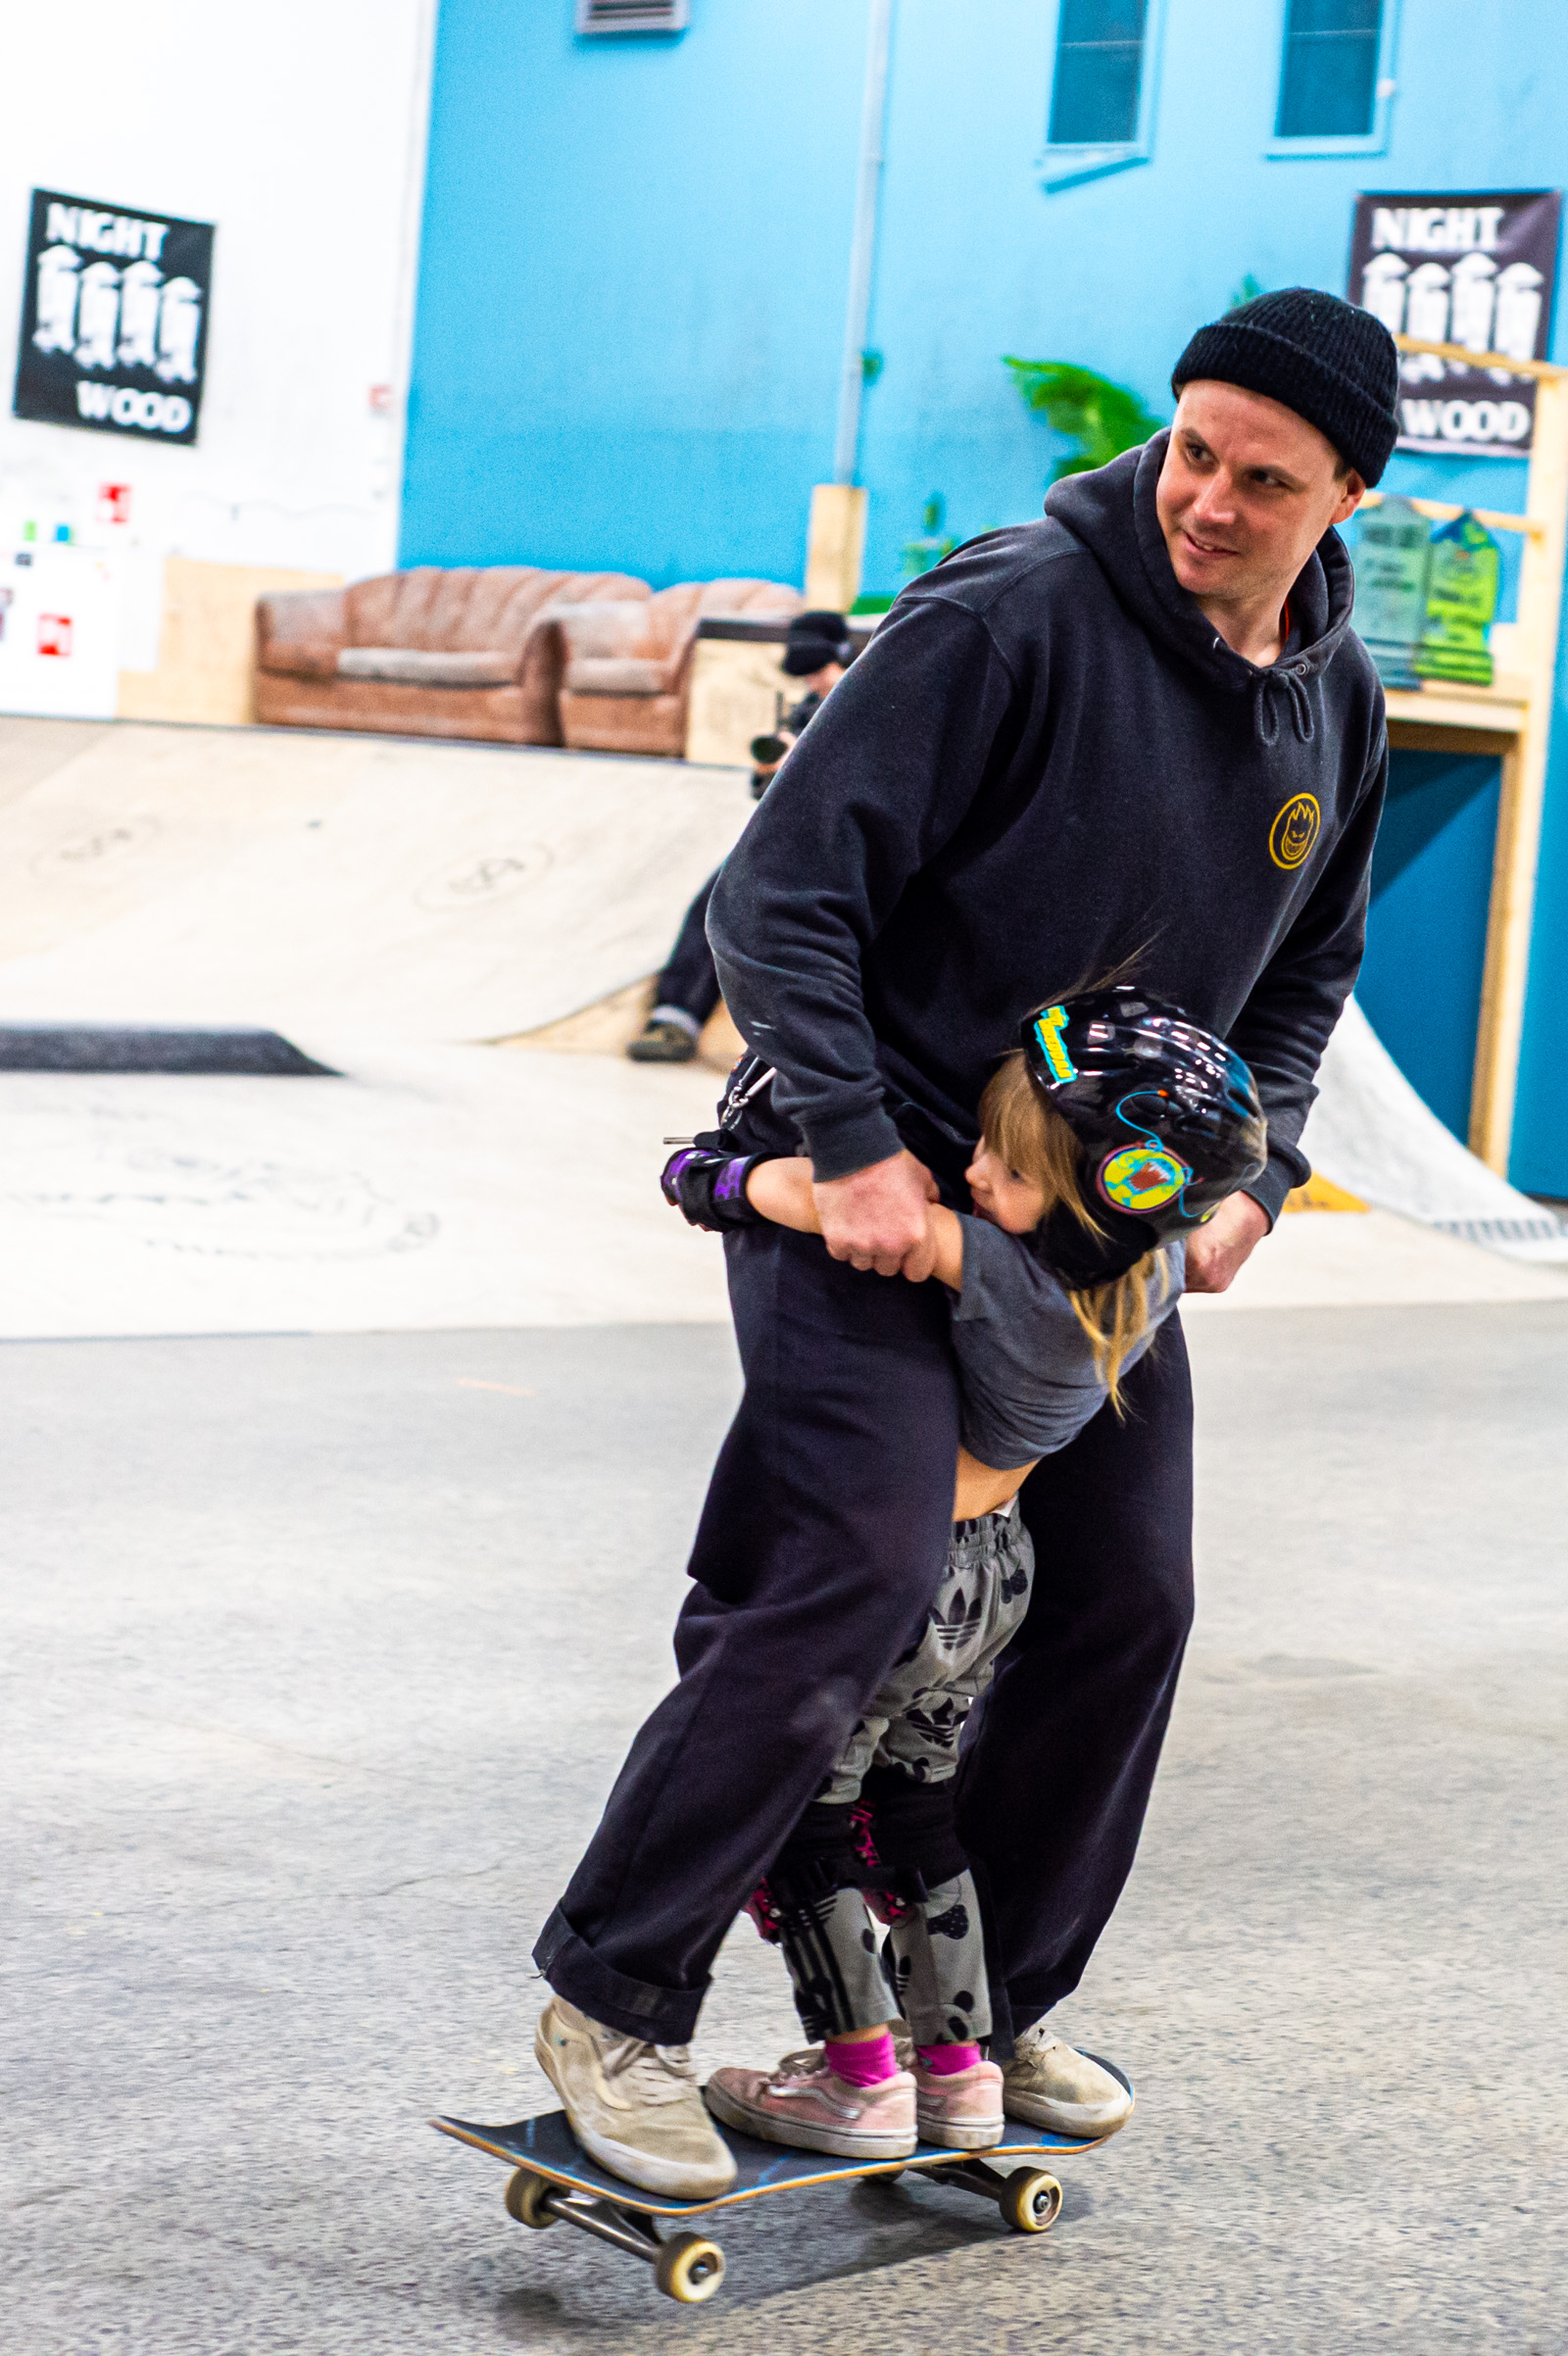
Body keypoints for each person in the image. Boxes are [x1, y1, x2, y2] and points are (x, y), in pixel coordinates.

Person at [531, 288, 1397, 2199]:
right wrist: (850, 1144)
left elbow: (1303, 977)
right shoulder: (1011, 611)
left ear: (1348, 492)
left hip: (1092, 1220)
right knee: (852, 1568)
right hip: (875, 1169)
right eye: (1191, 451)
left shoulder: (1333, 706)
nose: (1207, 499)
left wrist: (1252, 1172)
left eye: (1262, 480)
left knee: (1126, 1594)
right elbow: (777, 889)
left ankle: (983, 2016)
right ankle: (612, 1997)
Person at [658, 995, 1260, 2168]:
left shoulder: (998, 1270)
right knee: (920, 1821)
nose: (975, 1169)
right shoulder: (1153, 1271)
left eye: (1010, 1166)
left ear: (1092, 1202)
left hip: (913, 1590)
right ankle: (961, 2071)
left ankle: (857, 2081)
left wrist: (707, 1177)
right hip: (997, 1582)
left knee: (813, 1824)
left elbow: (815, 1204)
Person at [626, 611, 856, 1063]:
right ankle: (675, 1020)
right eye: (806, 675)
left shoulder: (866, 709)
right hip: (789, 837)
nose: (814, 682)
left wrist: (805, 763)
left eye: (821, 671)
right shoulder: (804, 710)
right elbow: (766, 797)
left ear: (844, 660)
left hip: (841, 847)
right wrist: (769, 771)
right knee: (717, 901)